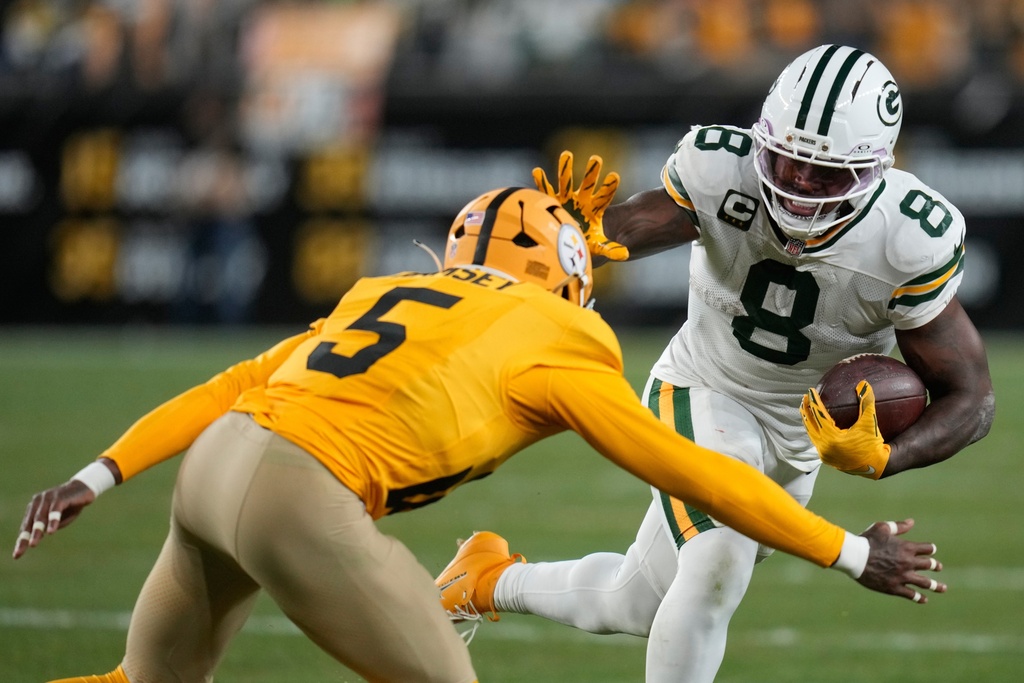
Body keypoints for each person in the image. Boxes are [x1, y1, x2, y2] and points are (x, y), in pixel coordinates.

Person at [15, 187, 945, 683]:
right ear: (565, 273)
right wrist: (848, 552)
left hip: (212, 471)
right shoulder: (562, 338)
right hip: (301, 496)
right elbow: (696, 474)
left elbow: (232, 385)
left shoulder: (385, 289)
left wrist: (98, 475)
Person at [435, 44, 994, 682]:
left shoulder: (909, 238)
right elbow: (633, 226)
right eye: (788, 160)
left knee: (637, 600)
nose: (801, 184)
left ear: (874, 171)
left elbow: (972, 398)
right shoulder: (720, 168)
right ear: (763, 141)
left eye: (827, 174)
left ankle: (484, 579)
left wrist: (890, 457)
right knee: (717, 561)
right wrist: (580, 237)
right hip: (703, 388)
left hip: (797, 434)